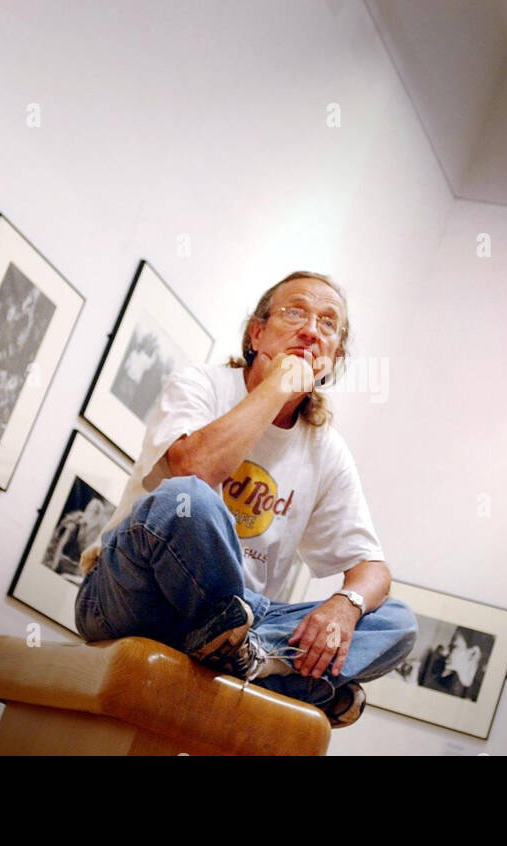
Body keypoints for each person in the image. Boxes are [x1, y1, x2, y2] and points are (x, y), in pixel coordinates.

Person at [74, 271, 417, 727]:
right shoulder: (201, 383)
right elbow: (193, 467)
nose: (311, 330)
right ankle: (286, 676)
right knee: (188, 499)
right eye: (295, 312)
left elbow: (372, 570)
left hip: (242, 624)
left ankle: (247, 655)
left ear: (333, 357)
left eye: (328, 325)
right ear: (257, 332)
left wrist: (345, 606)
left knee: (395, 620)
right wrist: (278, 387)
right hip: (133, 594)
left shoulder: (326, 449)